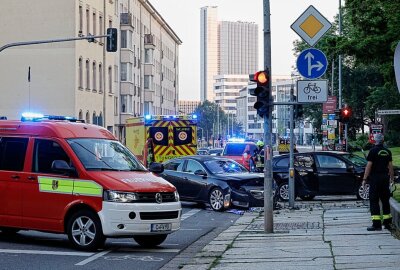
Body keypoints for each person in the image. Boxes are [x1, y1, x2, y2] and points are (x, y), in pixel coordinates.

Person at [362, 133, 395, 231]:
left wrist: (364, 179)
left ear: (374, 140)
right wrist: (392, 179)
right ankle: (387, 223)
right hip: (385, 178)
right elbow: (390, 167)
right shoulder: (387, 151)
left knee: (374, 200)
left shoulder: (372, 151)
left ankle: (376, 225)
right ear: (383, 140)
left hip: (375, 178)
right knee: (385, 200)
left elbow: (369, 166)